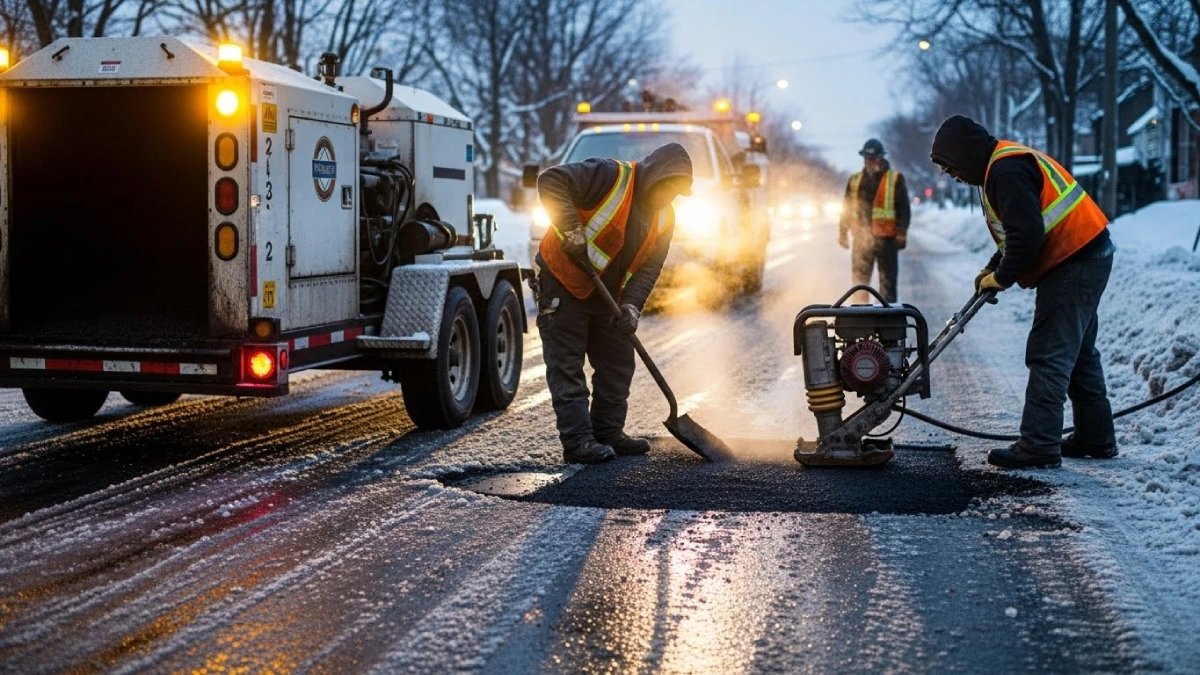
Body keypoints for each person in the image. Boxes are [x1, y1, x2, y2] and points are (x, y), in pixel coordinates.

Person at [930, 115, 1117, 469]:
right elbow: (1018, 230)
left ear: (965, 153)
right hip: (1086, 253)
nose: (952, 175)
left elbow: (1028, 237)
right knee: (1078, 353)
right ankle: (1096, 437)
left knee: (1049, 352)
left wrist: (1002, 276)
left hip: (1074, 258)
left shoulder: (1006, 171)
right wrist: (993, 266)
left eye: (951, 166)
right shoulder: (1001, 166)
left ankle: (1039, 445)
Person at [534, 143, 693, 464]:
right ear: (655, 176)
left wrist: (632, 306)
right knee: (567, 365)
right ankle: (578, 442)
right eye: (668, 187)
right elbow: (550, 181)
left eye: (676, 192)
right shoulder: (610, 176)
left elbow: (650, 267)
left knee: (618, 363)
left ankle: (607, 431)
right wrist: (571, 230)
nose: (669, 197)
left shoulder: (665, 216)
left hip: (609, 294)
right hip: (564, 283)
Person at [839, 138, 910, 303]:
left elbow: (903, 209)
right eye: (866, 158)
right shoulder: (855, 180)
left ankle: (888, 323)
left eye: (873, 158)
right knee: (859, 284)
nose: (870, 162)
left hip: (887, 241)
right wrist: (842, 232)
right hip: (861, 241)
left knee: (888, 285)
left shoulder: (895, 179)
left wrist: (901, 232)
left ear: (881, 157)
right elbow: (846, 208)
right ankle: (860, 320)